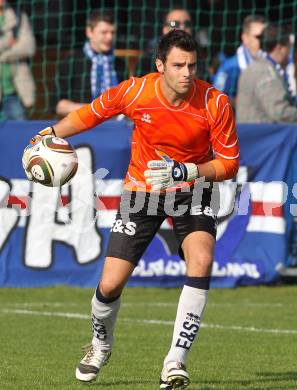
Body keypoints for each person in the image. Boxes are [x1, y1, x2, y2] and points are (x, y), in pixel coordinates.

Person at [23, 30, 239, 389]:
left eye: (192, 66)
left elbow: (229, 163)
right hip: (143, 191)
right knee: (110, 284)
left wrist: (191, 171)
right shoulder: (136, 91)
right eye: (178, 65)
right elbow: (90, 115)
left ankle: (175, 362)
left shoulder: (215, 103)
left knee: (201, 261)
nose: (187, 73)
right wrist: (50, 133)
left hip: (193, 187)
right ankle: (100, 345)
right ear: (160, 66)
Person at [54, 11, 122, 117]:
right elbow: (58, 105)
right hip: (81, 126)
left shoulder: (119, 63)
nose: (109, 37)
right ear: (89, 32)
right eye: (104, 32)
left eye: (112, 32)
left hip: (114, 125)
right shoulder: (72, 61)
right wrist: (96, 110)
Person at [236, 24, 297, 123]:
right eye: (289, 49)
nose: (288, 55)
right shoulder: (265, 72)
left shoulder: (258, 66)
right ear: (280, 48)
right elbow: (280, 112)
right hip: (261, 136)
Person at [212, 14, 266, 105]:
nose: (263, 41)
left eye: (265, 37)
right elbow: (215, 100)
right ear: (245, 38)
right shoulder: (230, 67)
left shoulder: (274, 63)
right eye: (258, 37)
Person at [0, 0, 36, 120]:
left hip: (13, 91)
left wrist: (3, 56)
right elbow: (11, 43)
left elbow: (29, 47)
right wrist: (7, 42)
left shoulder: (18, 16)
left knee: (20, 133)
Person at [138, 7, 193, 76]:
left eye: (187, 24)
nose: (182, 28)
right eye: (175, 24)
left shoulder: (197, 57)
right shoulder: (151, 56)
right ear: (165, 29)